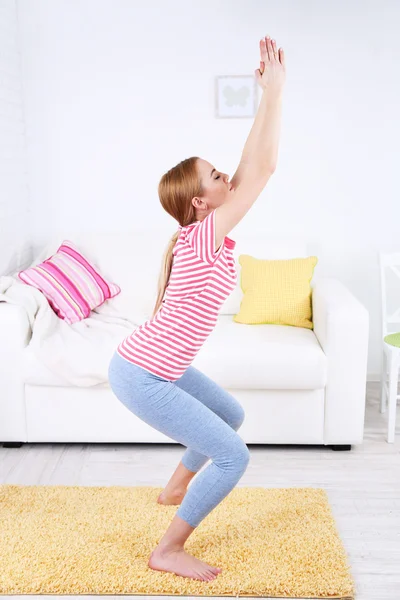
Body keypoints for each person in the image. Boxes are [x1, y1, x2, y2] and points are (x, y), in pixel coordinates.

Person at [108, 35, 286, 582]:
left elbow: (250, 163)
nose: (226, 178)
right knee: (234, 454)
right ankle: (168, 550)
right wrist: (276, 94)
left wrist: (264, 98)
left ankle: (176, 484)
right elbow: (264, 170)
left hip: (153, 365)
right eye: (215, 177)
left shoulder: (200, 233)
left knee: (230, 416)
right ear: (199, 204)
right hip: (143, 374)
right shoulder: (204, 235)